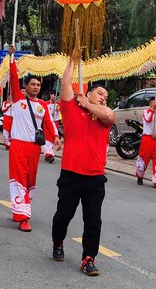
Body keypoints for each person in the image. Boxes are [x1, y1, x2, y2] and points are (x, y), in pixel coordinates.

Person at [51, 49, 114, 277]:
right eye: (99, 93)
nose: (103, 98)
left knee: (93, 220)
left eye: (106, 97)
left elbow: (109, 115)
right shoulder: (70, 110)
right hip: (71, 174)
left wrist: (87, 104)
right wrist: (73, 59)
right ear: (88, 92)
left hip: (95, 177)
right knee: (63, 215)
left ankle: (89, 258)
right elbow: (66, 82)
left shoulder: (103, 117)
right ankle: (58, 242)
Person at [3, 57, 59, 232]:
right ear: (26, 86)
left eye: (38, 85)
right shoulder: (19, 100)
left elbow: (49, 123)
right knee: (19, 178)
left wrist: (56, 137)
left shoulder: (43, 105)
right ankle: (23, 217)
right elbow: (13, 78)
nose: (36, 87)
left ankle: (20, 209)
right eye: (32, 84)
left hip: (34, 148)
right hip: (18, 146)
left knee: (30, 181)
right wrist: (12, 59)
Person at [135, 97, 156, 189]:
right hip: (147, 139)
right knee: (144, 158)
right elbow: (148, 119)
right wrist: (152, 109)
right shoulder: (146, 112)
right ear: (150, 103)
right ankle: (140, 176)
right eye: (155, 102)